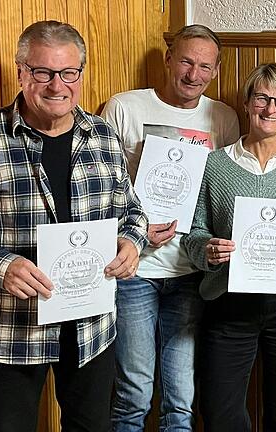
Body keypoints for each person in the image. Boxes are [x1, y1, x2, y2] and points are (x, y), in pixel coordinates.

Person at [0, 20, 148, 432]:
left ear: (80, 74)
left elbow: (132, 212)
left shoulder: (103, 136)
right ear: (21, 72)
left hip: (91, 328)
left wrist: (132, 242)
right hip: (11, 328)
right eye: (42, 72)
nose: (56, 85)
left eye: (68, 73)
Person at [102, 24, 239, 431]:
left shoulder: (223, 117)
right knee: (133, 395)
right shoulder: (125, 108)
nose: (193, 74)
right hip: (134, 271)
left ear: (214, 72)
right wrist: (134, 231)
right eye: (185, 61)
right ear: (168, 59)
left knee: (181, 401)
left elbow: (226, 189)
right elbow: (100, 186)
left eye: (204, 66)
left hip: (191, 273)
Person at [182, 62, 276, 432]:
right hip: (229, 299)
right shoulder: (214, 165)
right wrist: (208, 251)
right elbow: (195, 232)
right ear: (247, 103)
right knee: (219, 410)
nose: (271, 109)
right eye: (262, 98)